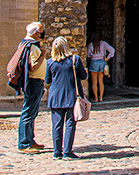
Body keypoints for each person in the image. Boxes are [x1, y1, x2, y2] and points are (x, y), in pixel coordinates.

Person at [44, 36, 87, 160]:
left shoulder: (50, 62)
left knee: (56, 125)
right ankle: (67, 151)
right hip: (71, 96)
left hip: (56, 96)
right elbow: (83, 76)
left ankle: (57, 152)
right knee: (70, 124)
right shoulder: (75, 60)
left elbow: (47, 80)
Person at [17, 22, 46, 154]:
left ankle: (30, 140)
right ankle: (24, 143)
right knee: (28, 112)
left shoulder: (27, 44)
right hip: (33, 82)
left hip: (36, 82)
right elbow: (33, 67)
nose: (43, 34)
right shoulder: (32, 47)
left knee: (32, 112)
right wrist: (43, 55)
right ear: (35, 33)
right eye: (41, 32)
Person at [86, 32, 115, 102]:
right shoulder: (103, 43)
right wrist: (107, 58)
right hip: (101, 62)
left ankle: (96, 97)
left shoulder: (91, 44)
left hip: (94, 62)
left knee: (94, 82)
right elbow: (112, 50)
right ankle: (101, 97)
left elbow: (88, 55)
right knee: (101, 81)